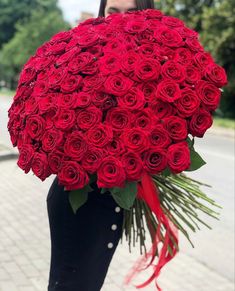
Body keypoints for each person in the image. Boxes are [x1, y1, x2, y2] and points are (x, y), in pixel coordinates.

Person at [47, 1, 155, 290]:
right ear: (102, 12)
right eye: (112, 11)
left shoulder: (152, 63)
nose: (120, 19)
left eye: (129, 11)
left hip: (111, 203)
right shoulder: (85, 59)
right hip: (80, 200)